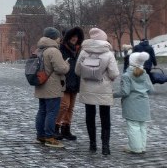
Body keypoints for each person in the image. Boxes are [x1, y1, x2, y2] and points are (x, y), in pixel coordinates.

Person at [75, 27, 120, 155]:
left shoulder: (84, 52)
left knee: (90, 116)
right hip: (103, 89)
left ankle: (92, 144)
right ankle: (105, 146)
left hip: (87, 89)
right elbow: (114, 73)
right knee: (105, 117)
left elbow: (77, 71)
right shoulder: (108, 53)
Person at [33, 27, 70, 148]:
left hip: (41, 84)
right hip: (52, 86)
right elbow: (61, 68)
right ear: (54, 37)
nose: (60, 39)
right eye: (58, 37)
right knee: (52, 112)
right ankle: (49, 137)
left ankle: (41, 135)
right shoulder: (53, 51)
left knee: (42, 111)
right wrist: (67, 65)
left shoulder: (39, 49)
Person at [114, 51, 154, 154]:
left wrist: (112, 94)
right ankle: (142, 146)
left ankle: (135, 147)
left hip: (131, 104)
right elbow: (151, 90)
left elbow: (125, 92)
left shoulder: (127, 75)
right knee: (142, 126)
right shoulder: (145, 74)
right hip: (144, 103)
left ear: (130, 62)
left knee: (133, 125)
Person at [54, 27, 84, 141]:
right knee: (64, 105)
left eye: (76, 37)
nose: (74, 39)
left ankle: (66, 128)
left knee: (71, 107)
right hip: (64, 81)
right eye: (72, 37)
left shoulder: (78, 49)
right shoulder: (61, 48)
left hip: (75, 80)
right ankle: (56, 126)